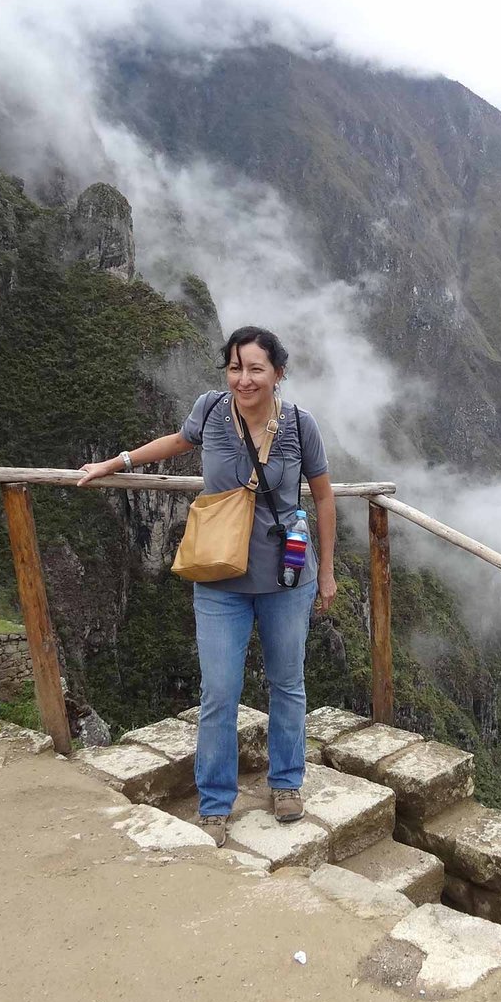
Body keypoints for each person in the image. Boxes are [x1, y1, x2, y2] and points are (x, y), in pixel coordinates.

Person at [78, 326, 336, 846]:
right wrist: (116, 462)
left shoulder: (300, 427)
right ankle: (215, 804)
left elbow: (324, 499)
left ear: (278, 374)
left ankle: (286, 784)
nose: (244, 379)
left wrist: (326, 571)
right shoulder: (211, 411)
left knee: (288, 684)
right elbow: (176, 441)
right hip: (220, 575)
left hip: (287, 575)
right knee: (220, 691)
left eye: (256, 368)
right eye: (235, 367)